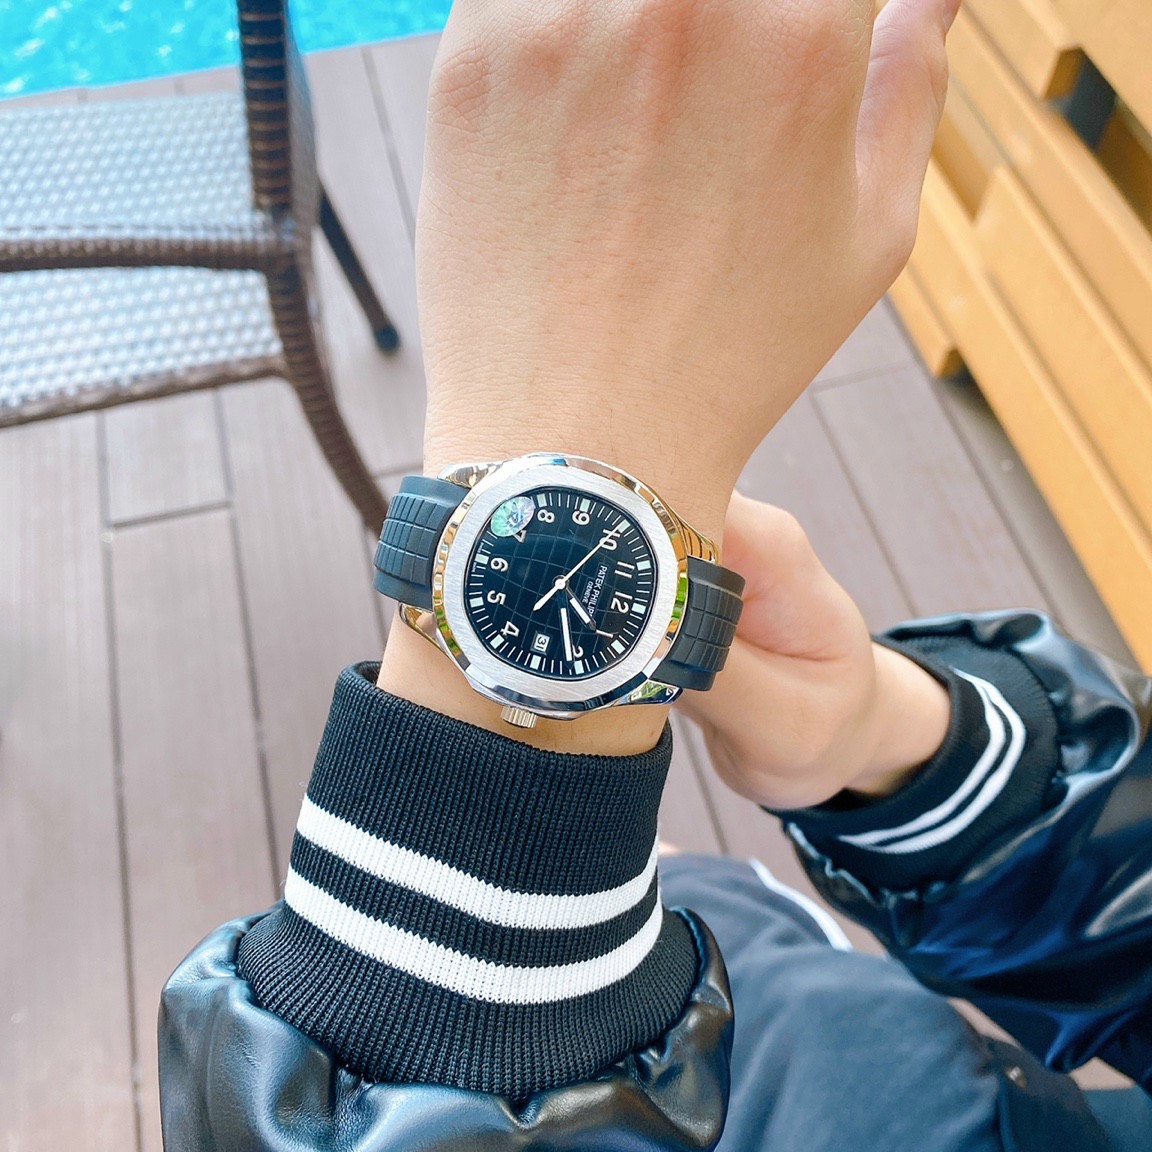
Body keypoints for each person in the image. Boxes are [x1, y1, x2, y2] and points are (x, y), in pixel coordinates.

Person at [158, 0, 1152, 1148]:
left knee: (693, 898)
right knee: (705, 900)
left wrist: (512, 768)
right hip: (847, 1022)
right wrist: (901, 747)